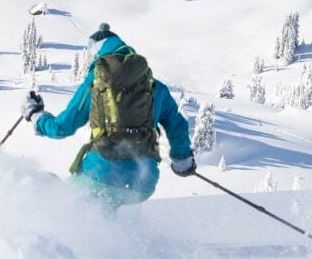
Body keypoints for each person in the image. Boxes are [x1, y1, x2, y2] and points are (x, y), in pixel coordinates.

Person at [21, 23, 195, 207]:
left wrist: (36, 116)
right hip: (143, 183)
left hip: (101, 174)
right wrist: (182, 161)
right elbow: (177, 125)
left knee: (61, 202)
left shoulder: (96, 83)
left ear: (98, 53)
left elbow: (62, 127)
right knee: (104, 213)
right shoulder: (154, 86)